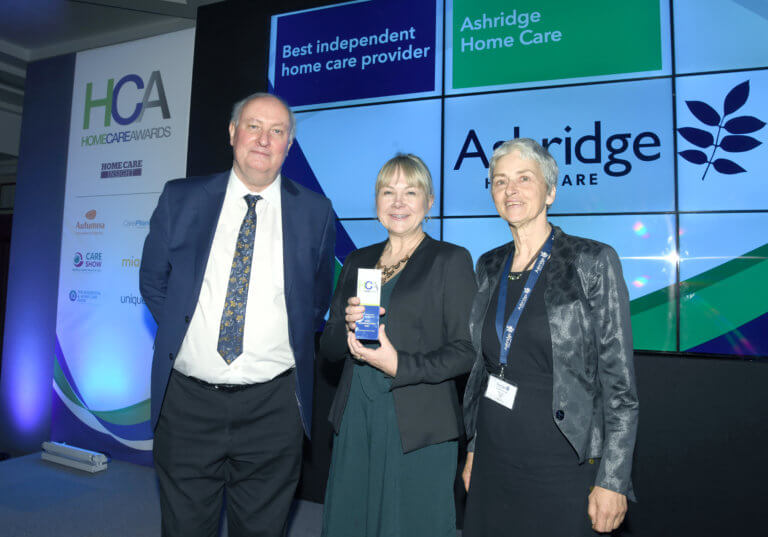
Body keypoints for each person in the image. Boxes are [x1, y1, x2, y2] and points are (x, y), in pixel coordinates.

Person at [139, 92, 335, 537]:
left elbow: (317, 300)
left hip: (274, 408)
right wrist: (188, 333)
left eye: (277, 131)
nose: (264, 139)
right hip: (187, 403)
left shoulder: (315, 211)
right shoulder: (180, 198)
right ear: (232, 133)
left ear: (289, 144)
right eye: (253, 126)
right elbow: (153, 281)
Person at [461, 138, 639, 536]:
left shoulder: (591, 261)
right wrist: (473, 447)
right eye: (500, 181)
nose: (510, 189)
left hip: (562, 463)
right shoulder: (489, 264)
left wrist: (613, 479)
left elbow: (620, 387)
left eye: (524, 178)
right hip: (494, 457)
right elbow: (481, 370)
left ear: (550, 191)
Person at [319, 154, 476, 537]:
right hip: (356, 416)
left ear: (429, 202)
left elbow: (467, 351)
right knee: (351, 523)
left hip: (417, 423)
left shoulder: (450, 260)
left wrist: (399, 365)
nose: (398, 202)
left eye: (411, 192)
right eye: (388, 192)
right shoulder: (357, 260)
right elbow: (330, 348)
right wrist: (346, 324)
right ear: (376, 202)